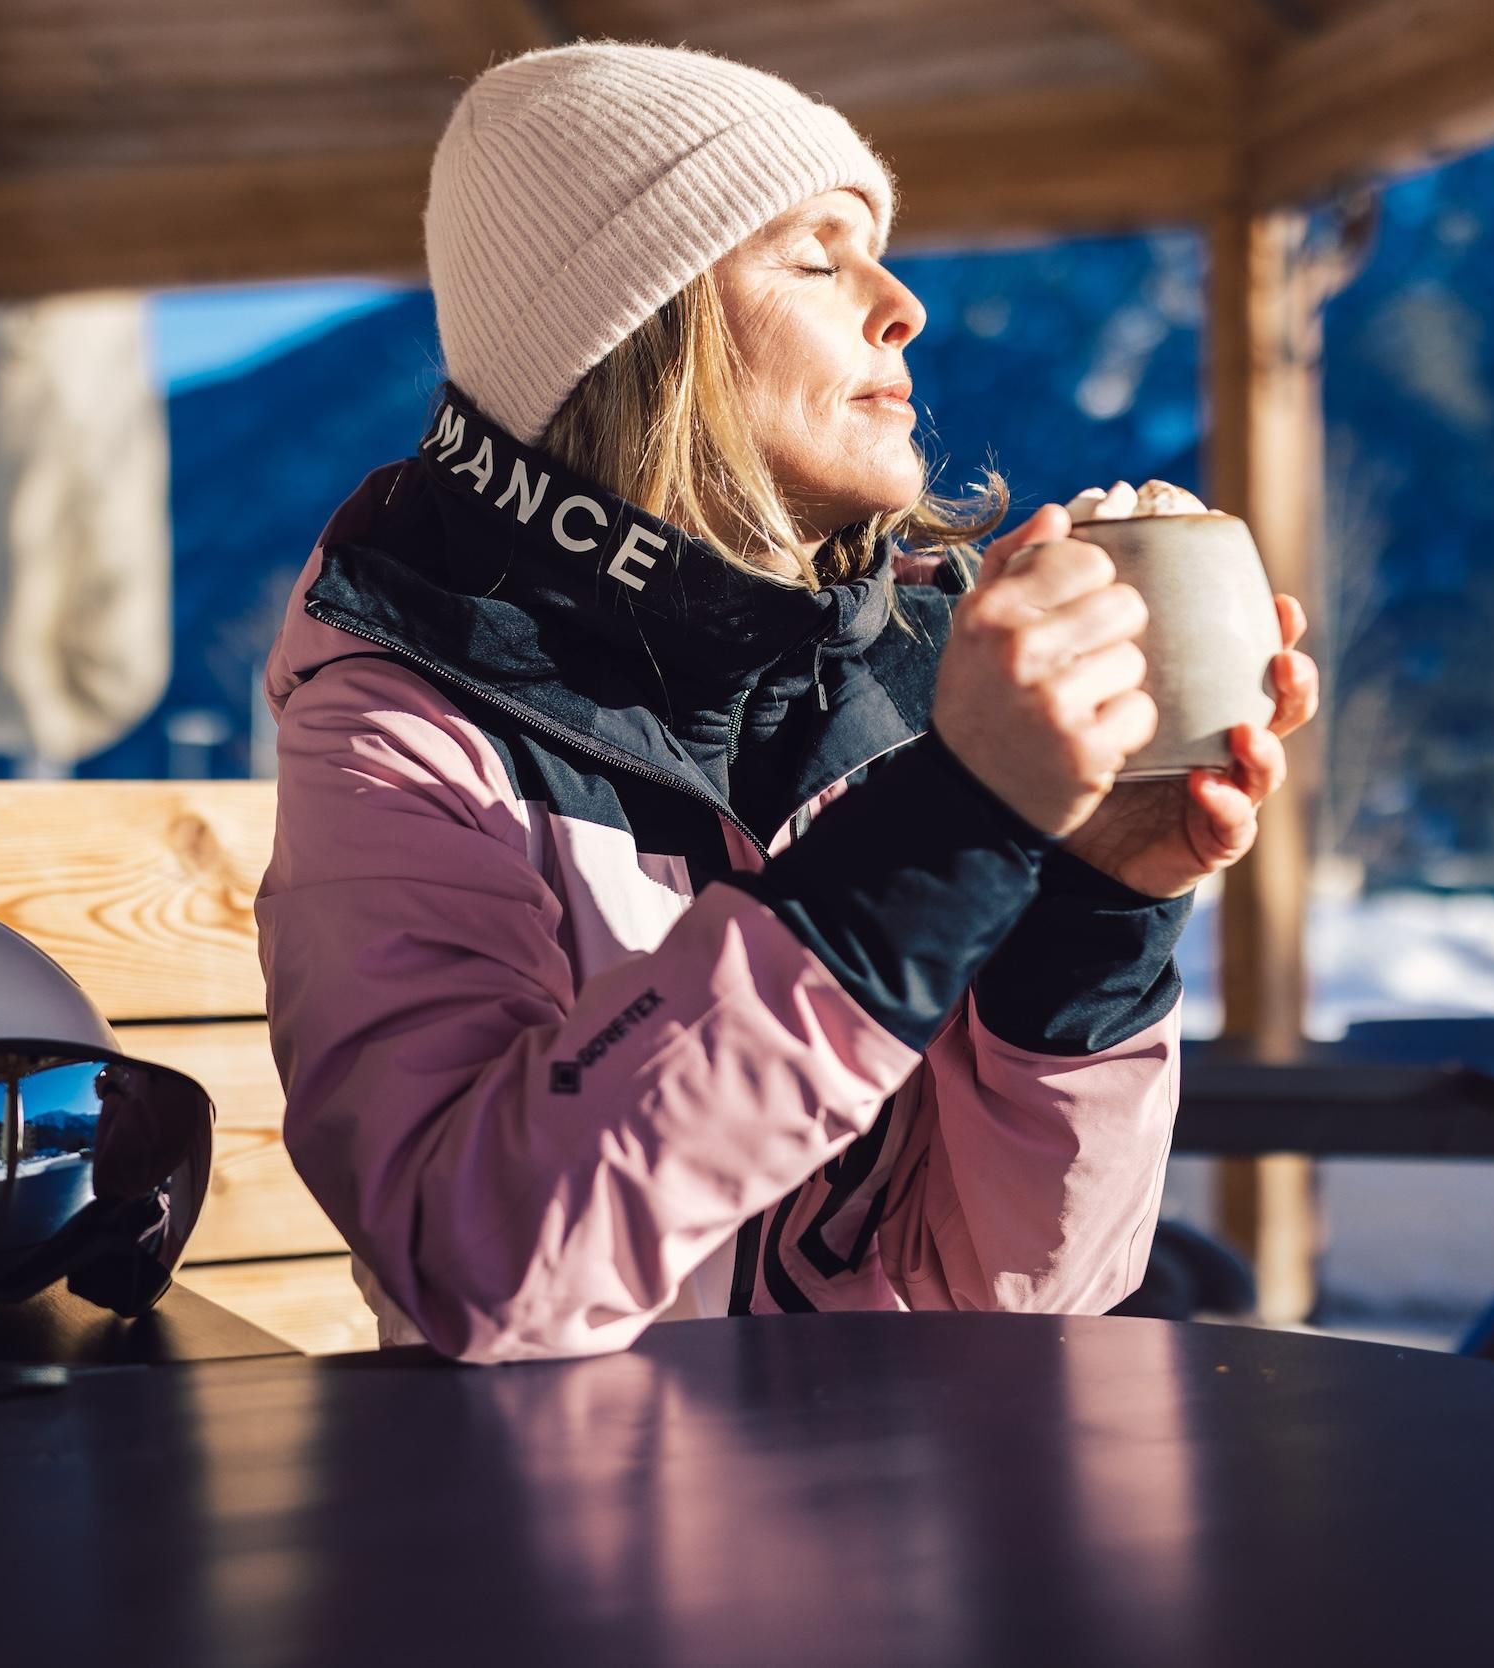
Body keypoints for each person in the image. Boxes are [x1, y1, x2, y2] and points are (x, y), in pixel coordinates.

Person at [255, 42, 1319, 1363]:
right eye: (816, 256)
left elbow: (1020, 1298)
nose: (903, 304)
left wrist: (1092, 921)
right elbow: (483, 1261)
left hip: (905, 1505)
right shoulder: (407, 736)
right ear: (637, 336)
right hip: (559, 1537)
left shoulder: (911, 686)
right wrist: (938, 842)